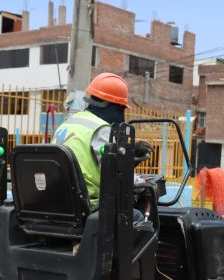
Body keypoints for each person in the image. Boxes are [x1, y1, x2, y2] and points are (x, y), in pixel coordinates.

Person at [51, 72, 151, 212]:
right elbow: (116, 174)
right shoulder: (101, 128)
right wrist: (142, 184)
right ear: (113, 106)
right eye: (121, 109)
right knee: (138, 217)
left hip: (57, 199)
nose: (121, 116)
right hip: (85, 203)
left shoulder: (69, 123)